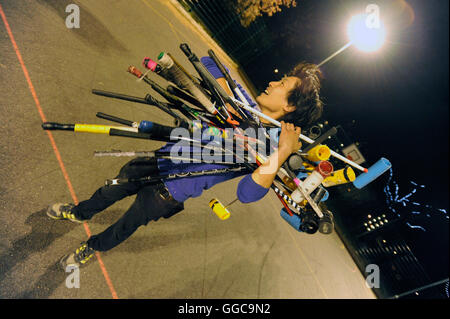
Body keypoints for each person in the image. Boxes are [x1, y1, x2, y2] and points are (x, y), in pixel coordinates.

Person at [47, 57, 324, 269]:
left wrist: (284, 151)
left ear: (290, 107)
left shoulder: (273, 145)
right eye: (280, 80)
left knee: (126, 225)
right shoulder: (242, 102)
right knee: (109, 190)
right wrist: (226, 99)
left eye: (283, 85)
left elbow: (247, 193)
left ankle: (91, 248)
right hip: (161, 159)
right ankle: (80, 212)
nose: (273, 83)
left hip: (171, 192)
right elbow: (208, 63)